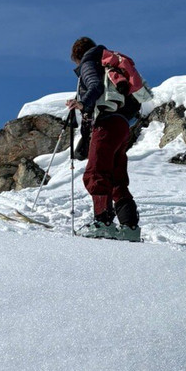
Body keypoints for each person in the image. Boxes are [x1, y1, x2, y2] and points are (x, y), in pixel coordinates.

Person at [66, 37, 141, 241]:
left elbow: (96, 87)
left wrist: (82, 104)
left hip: (106, 123)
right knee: (117, 177)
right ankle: (130, 228)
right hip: (122, 124)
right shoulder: (111, 62)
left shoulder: (89, 63)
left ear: (77, 55)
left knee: (96, 172)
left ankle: (103, 222)